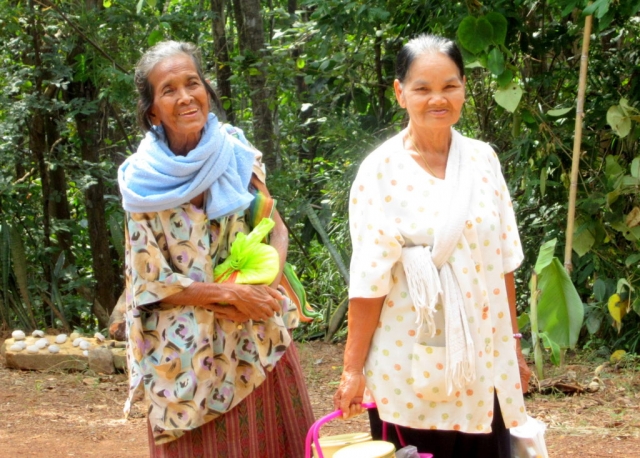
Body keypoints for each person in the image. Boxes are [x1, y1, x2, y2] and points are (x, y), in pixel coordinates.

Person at [333, 34, 532, 458]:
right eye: (422, 88)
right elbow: (369, 282)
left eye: (449, 86)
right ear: (400, 92)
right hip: (407, 363)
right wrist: (352, 371)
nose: (437, 99)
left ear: (464, 87)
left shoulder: (483, 160)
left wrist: (512, 343)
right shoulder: (379, 172)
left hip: (484, 358)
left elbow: (503, 261)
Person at [118, 40, 314, 458]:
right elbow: (148, 280)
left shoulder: (238, 154)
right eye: (168, 89)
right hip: (183, 358)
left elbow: (275, 230)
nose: (185, 96)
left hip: (254, 342)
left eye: (193, 83)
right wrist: (227, 294)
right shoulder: (140, 186)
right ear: (152, 110)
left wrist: (265, 289)